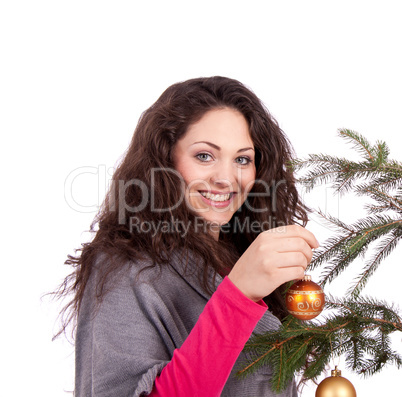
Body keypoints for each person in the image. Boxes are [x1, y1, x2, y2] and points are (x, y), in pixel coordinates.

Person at [59, 76, 318, 396]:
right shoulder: (124, 267)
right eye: (204, 156)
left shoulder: (241, 254)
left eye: (242, 159)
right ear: (165, 159)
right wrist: (238, 296)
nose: (226, 178)